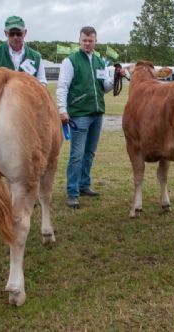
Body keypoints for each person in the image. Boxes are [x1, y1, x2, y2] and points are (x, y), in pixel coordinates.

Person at [56, 26, 125, 209]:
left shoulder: (99, 62)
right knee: (77, 155)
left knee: (90, 153)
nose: (88, 43)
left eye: (91, 40)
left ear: (96, 41)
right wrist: (62, 109)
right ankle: (72, 192)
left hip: (97, 114)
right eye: (85, 40)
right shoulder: (70, 61)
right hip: (79, 114)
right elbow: (62, 86)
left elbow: (105, 87)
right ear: (79, 41)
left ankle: (84, 185)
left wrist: (116, 77)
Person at [0, 16, 47, 85]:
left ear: (25, 33)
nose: (15, 37)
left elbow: (42, 83)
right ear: (6, 33)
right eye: (11, 34)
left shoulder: (36, 57)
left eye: (18, 33)